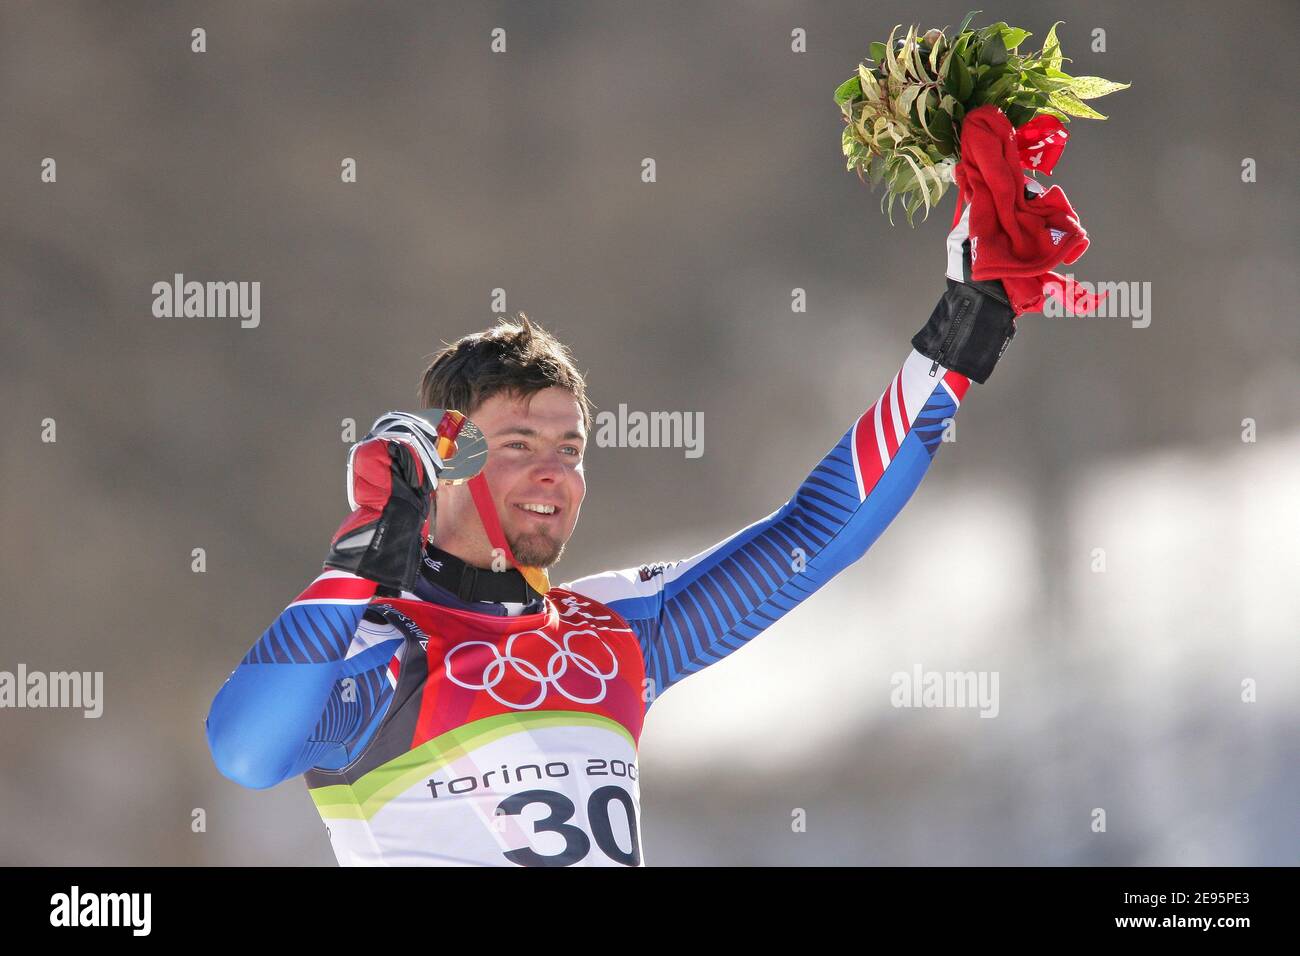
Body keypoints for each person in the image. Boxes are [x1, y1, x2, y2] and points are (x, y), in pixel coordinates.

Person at [205, 203, 1022, 866]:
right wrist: (361, 558)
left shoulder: (612, 633)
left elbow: (817, 531)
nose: (552, 474)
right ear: (443, 460)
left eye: (570, 450)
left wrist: (961, 331)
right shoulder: (384, 651)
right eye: (518, 447)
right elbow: (246, 751)